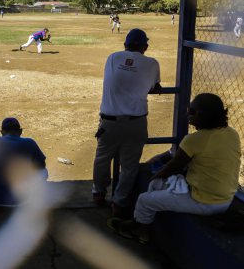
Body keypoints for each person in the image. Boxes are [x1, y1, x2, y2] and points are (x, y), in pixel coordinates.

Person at [111, 93, 241, 244]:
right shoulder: (232, 133)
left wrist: (157, 174)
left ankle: (141, 230)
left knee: (145, 199)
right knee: (156, 186)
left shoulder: (194, 140)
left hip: (204, 201)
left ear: (204, 116)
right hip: (225, 198)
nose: (188, 114)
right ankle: (144, 221)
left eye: (192, 112)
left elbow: (173, 166)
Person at [92, 28, 162, 219]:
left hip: (109, 121)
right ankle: (119, 203)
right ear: (145, 47)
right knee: (129, 166)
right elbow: (154, 87)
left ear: (125, 45)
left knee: (103, 158)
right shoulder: (152, 63)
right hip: (136, 123)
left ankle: (98, 193)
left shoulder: (113, 58)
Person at [0, 117, 48, 207]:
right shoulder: (30, 143)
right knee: (44, 172)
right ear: (20, 131)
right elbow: (41, 166)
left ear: (2, 132)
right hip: (23, 200)